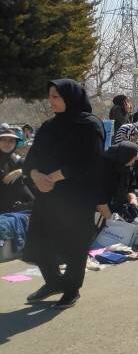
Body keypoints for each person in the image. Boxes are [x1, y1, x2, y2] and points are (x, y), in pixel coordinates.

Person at [21, 79, 104, 309]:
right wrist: (36, 175)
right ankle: (53, 282)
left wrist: (55, 176)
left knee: (74, 244)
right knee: (39, 242)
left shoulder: (89, 125)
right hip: (47, 195)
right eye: (50, 96)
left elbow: (91, 161)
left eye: (56, 96)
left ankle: (71, 289)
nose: (51, 101)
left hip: (76, 197)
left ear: (70, 97)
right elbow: (32, 158)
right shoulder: (48, 126)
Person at [97, 141, 138, 224]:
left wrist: (133, 199)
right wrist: (112, 223)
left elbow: (130, 188)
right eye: (134, 155)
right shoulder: (103, 170)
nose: (137, 158)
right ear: (125, 156)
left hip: (117, 212)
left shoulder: (127, 168)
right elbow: (100, 201)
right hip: (101, 214)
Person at [0, 127, 33, 212]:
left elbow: (32, 166)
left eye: (11, 141)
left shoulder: (15, 159)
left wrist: (19, 171)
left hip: (13, 203)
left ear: (15, 144)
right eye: (4, 140)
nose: (7, 143)